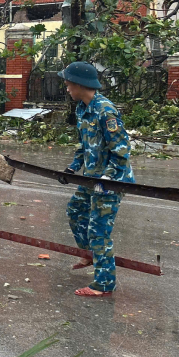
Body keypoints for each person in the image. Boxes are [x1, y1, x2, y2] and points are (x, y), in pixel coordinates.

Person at [56, 61, 134, 297]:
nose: (67, 87)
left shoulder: (105, 110)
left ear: (80, 84)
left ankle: (104, 284)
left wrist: (106, 179)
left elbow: (122, 150)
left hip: (112, 180)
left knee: (99, 230)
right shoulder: (82, 108)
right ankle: (89, 254)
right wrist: (73, 168)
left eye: (69, 83)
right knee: (74, 210)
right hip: (92, 179)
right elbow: (85, 144)